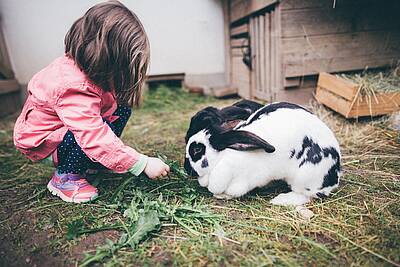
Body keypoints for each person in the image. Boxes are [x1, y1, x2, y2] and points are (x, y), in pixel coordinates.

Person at [13, 1, 170, 203]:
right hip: (43, 142)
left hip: (66, 131)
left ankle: (92, 161)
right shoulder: (73, 86)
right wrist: (141, 163)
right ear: (107, 57)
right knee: (94, 132)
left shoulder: (91, 72)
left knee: (121, 108)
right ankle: (65, 178)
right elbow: (93, 134)